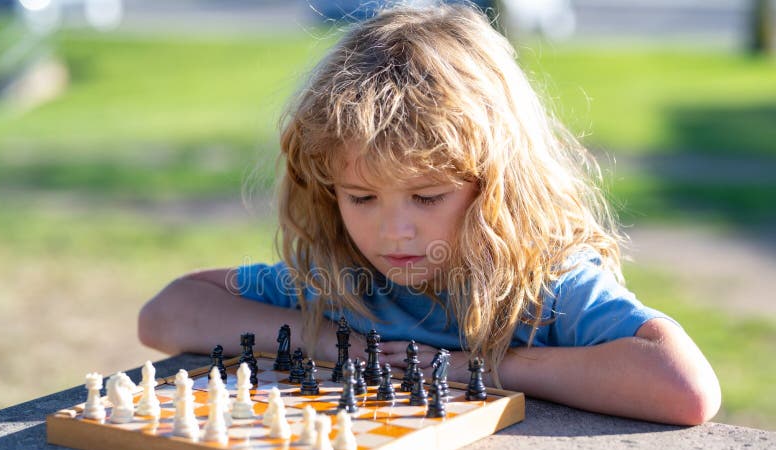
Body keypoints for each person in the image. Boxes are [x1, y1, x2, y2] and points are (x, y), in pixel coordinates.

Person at [138, 4, 720, 425]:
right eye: (361, 198)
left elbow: (683, 387)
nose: (393, 232)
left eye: (427, 197)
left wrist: (481, 366)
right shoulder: (345, 281)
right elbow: (166, 313)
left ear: (495, 187)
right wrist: (330, 341)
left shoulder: (546, 288)